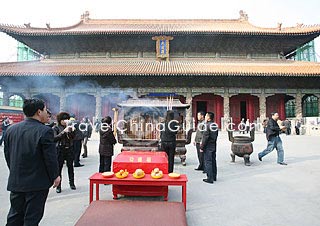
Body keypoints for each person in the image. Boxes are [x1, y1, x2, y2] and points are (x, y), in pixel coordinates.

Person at [4, 98, 60, 226]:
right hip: (37, 183)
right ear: (39, 112)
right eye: (46, 110)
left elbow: (8, 155)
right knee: (32, 218)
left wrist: (14, 171)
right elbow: (50, 158)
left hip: (17, 181)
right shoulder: (45, 131)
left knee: (15, 216)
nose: (47, 113)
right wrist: (55, 176)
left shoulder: (11, 129)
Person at [53, 112, 76, 193]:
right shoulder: (56, 128)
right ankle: (58, 186)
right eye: (63, 119)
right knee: (59, 168)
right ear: (60, 120)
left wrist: (72, 131)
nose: (65, 121)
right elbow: (54, 138)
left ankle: (72, 183)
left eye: (66, 119)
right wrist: (63, 132)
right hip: (60, 149)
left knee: (70, 167)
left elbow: (73, 138)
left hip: (69, 149)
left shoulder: (69, 126)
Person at [200, 112, 218, 184]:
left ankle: (210, 178)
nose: (205, 117)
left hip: (208, 145)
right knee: (213, 161)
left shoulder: (207, 125)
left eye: (206, 116)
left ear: (209, 117)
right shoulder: (215, 125)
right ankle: (214, 176)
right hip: (213, 144)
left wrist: (202, 147)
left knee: (208, 162)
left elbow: (205, 137)